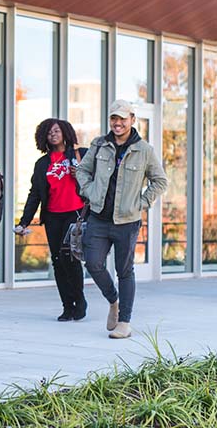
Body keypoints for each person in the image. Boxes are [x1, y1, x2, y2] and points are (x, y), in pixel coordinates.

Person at [76, 99, 168, 339]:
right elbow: (82, 171)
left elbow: (160, 181)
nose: (117, 123)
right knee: (93, 263)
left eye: (122, 119)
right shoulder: (99, 144)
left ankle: (124, 322)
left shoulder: (144, 150)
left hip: (127, 220)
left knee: (124, 270)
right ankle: (113, 300)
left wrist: (142, 203)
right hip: (98, 217)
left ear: (132, 120)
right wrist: (89, 190)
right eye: (114, 119)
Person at [15, 119, 88, 322]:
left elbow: (96, 179)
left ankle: (79, 302)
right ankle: (67, 306)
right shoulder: (43, 164)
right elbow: (35, 194)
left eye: (56, 131)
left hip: (75, 213)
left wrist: (80, 173)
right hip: (53, 216)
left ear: (65, 132)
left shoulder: (80, 154)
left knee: (70, 259)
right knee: (57, 262)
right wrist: (24, 221)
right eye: (49, 133)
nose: (53, 135)